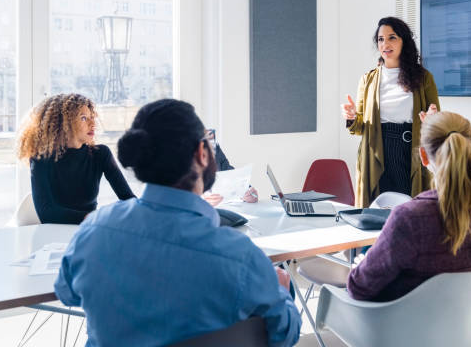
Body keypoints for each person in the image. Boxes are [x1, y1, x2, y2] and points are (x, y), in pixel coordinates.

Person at [54, 99, 301, 346]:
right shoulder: (240, 256)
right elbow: (285, 334)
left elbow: (67, 292)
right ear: (202, 154)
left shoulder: (92, 233)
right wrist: (280, 289)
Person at [347, 111, 471, 302]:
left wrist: (360, 266)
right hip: (464, 328)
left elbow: (359, 288)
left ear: (423, 156)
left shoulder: (409, 218)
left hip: (398, 327)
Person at [341, 16, 440, 207]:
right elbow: (359, 127)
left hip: (409, 150)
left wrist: (431, 119)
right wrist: (352, 117)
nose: (385, 43)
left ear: (404, 41)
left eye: (392, 37)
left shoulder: (423, 78)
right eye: (380, 39)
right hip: (376, 150)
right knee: (378, 211)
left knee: (409, 209)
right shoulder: (367, 80)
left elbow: (437, 118)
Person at [16, 93, 135, 224]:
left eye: (92, 117)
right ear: (63, 124)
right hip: (52, 234)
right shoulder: (40, 159)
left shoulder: (101, 154)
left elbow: (129, 200)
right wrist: (95, 217)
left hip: (87, 231)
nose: (92, 123)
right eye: (84, 118)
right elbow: (47, 213)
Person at [202, 128, 259, 206]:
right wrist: (200, 200)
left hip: (223, 209)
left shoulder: (212, 145)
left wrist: (247, 191)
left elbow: (229, 172)